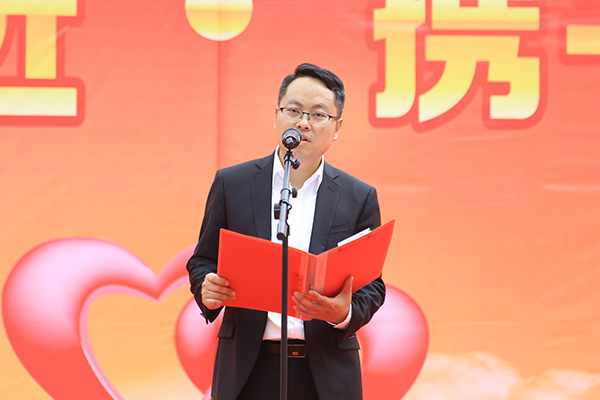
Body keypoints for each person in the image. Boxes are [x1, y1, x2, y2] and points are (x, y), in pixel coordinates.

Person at [186, 63, 385, 400]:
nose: (303, 123)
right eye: (293, 110)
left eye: (318, 114)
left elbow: (373, 285)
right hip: (249, 368)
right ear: (276, 116)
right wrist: (207, 287)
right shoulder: (232, 183)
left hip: (326, 372)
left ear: (337, 127)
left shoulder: (358, 196)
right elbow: (203, 260)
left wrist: (343, 312)